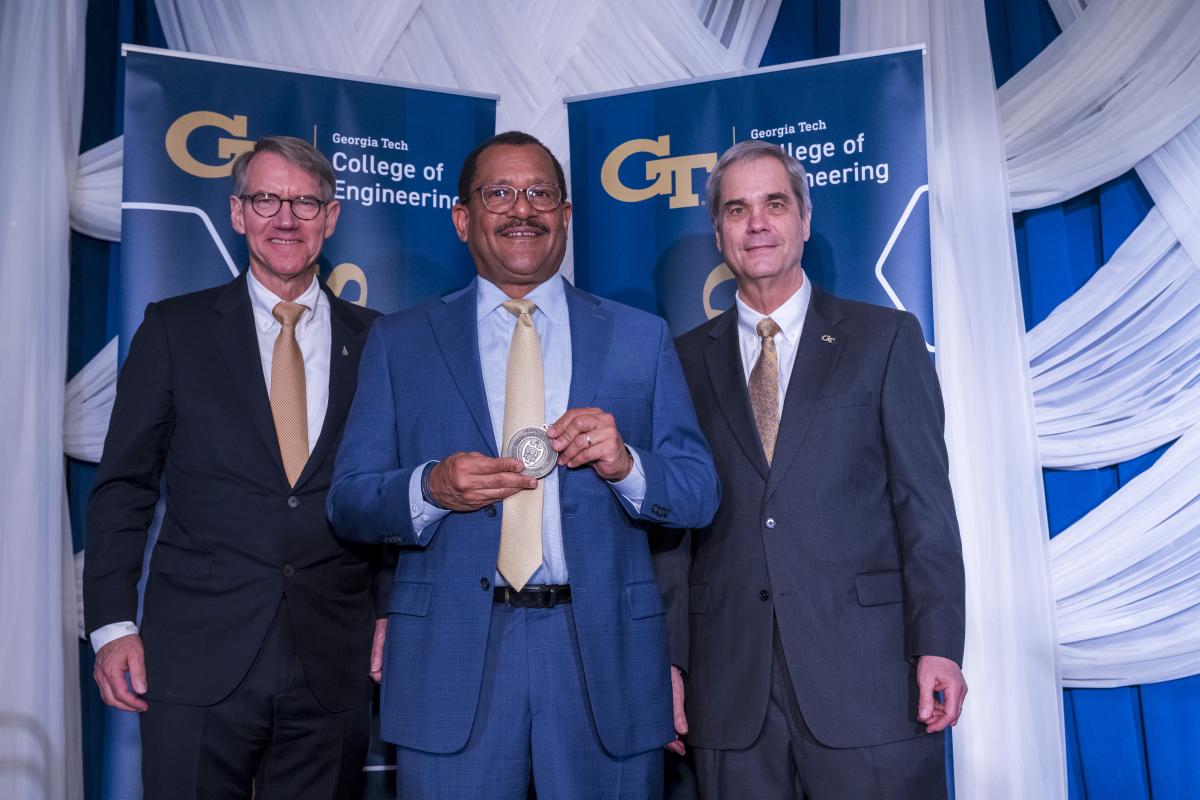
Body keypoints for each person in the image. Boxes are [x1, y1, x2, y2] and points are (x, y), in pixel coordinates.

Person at [327, 130, 718, 799]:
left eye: (541, 193)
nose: (522, 208)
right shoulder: (399, 341)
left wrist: (626, 464)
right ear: (462, 217)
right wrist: (431, 488)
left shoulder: (638, 336)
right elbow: (351, 501)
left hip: (601, 659)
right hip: (453, 662)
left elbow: (698, 493)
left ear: (566, 216)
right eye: (499, 192)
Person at [659, 139, 967, 799]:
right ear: (718, 232)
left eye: (775, 203)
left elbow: (925, 507)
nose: (758, 223)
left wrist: (939, 643)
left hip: (870, 681)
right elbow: (673, 536)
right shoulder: (678, 362)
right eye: (737, 210)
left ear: (804, 219)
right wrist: (670, 663)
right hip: (731, 689)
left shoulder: (885, 339)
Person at [84, 136, 388, 799]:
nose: (286, 218)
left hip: (331, 662)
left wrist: (391, 614)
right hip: (195, 657)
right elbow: (124, 487)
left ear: (331, 218)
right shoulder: (174, 329)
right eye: (267, 199)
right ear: (237, 212)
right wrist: (111, 626)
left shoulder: (379, 342)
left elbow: (391, 498)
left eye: (305, 202)